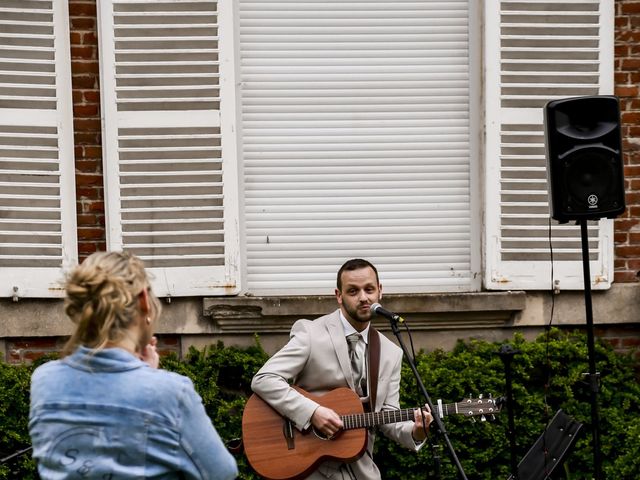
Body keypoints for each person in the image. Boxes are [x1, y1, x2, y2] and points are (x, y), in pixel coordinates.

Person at [28, 251, 238, 480]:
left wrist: (146, 377)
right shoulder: (172, 394)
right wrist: (151, 379)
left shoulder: (44, 381)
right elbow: (222, 473)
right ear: (143, 301)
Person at [251, 258, 433, 479]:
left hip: (361, 470)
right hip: (309, 468)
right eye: (353, 291)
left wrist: (416, 431)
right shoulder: (311, 334)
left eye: (369, 289)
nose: (363, 298)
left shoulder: (390, 353)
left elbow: (386, 415)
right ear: (339, 295)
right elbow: (264, 378)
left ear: (380, 291)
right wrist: (313, 412)